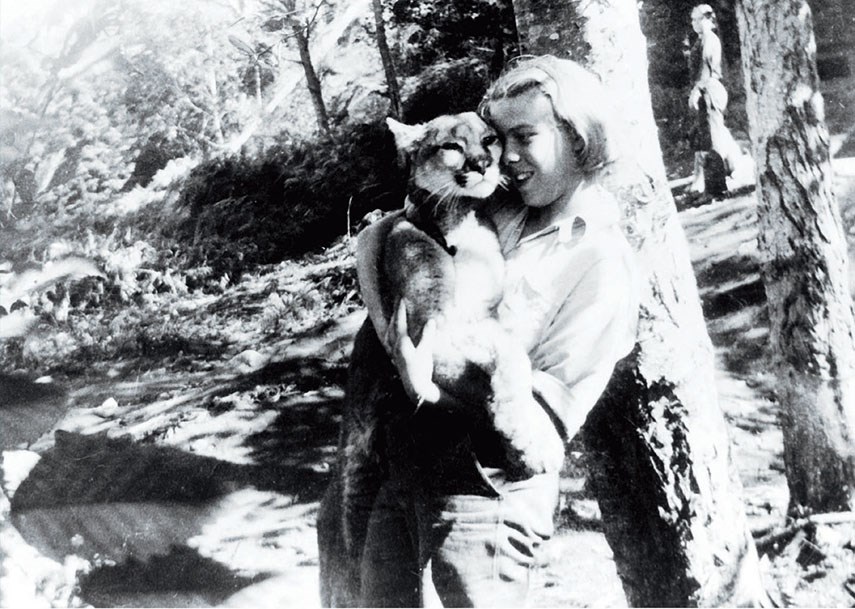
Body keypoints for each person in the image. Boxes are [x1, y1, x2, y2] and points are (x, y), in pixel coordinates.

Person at [352, 55, 640, 606]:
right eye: (497, 137)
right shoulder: (502, 203)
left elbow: (542, 426)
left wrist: (429, 376)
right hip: (411, 459)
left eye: (524, 136)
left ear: (578, 138)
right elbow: (378, 236)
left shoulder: (601, 261)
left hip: (488, 486)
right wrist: (395, 333)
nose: (503, 155)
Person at [687, 3, 740, 196]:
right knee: (706, 137)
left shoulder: (709, 39)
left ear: (708, 19)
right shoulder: (701, 39)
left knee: (712, 139)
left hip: (709, 90)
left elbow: (705, 70)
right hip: (705, 91)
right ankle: (715, 182)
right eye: (692, 19)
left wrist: (696, 90)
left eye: (697, 19)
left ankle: (716, 189)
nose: (694, 23)